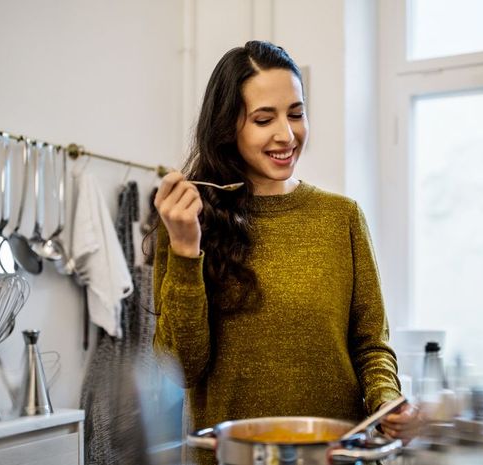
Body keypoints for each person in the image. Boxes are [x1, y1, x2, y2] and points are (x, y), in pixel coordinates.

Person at [152, 40, 419, 464]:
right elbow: (181, 369)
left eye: (296, 113)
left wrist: (387, 402)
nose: (287, 134)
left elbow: (371, 345)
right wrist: (186, 249)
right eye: (264, 119)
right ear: (227, 127)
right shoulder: (189, 222)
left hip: (336, 457)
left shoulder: (341, 217)